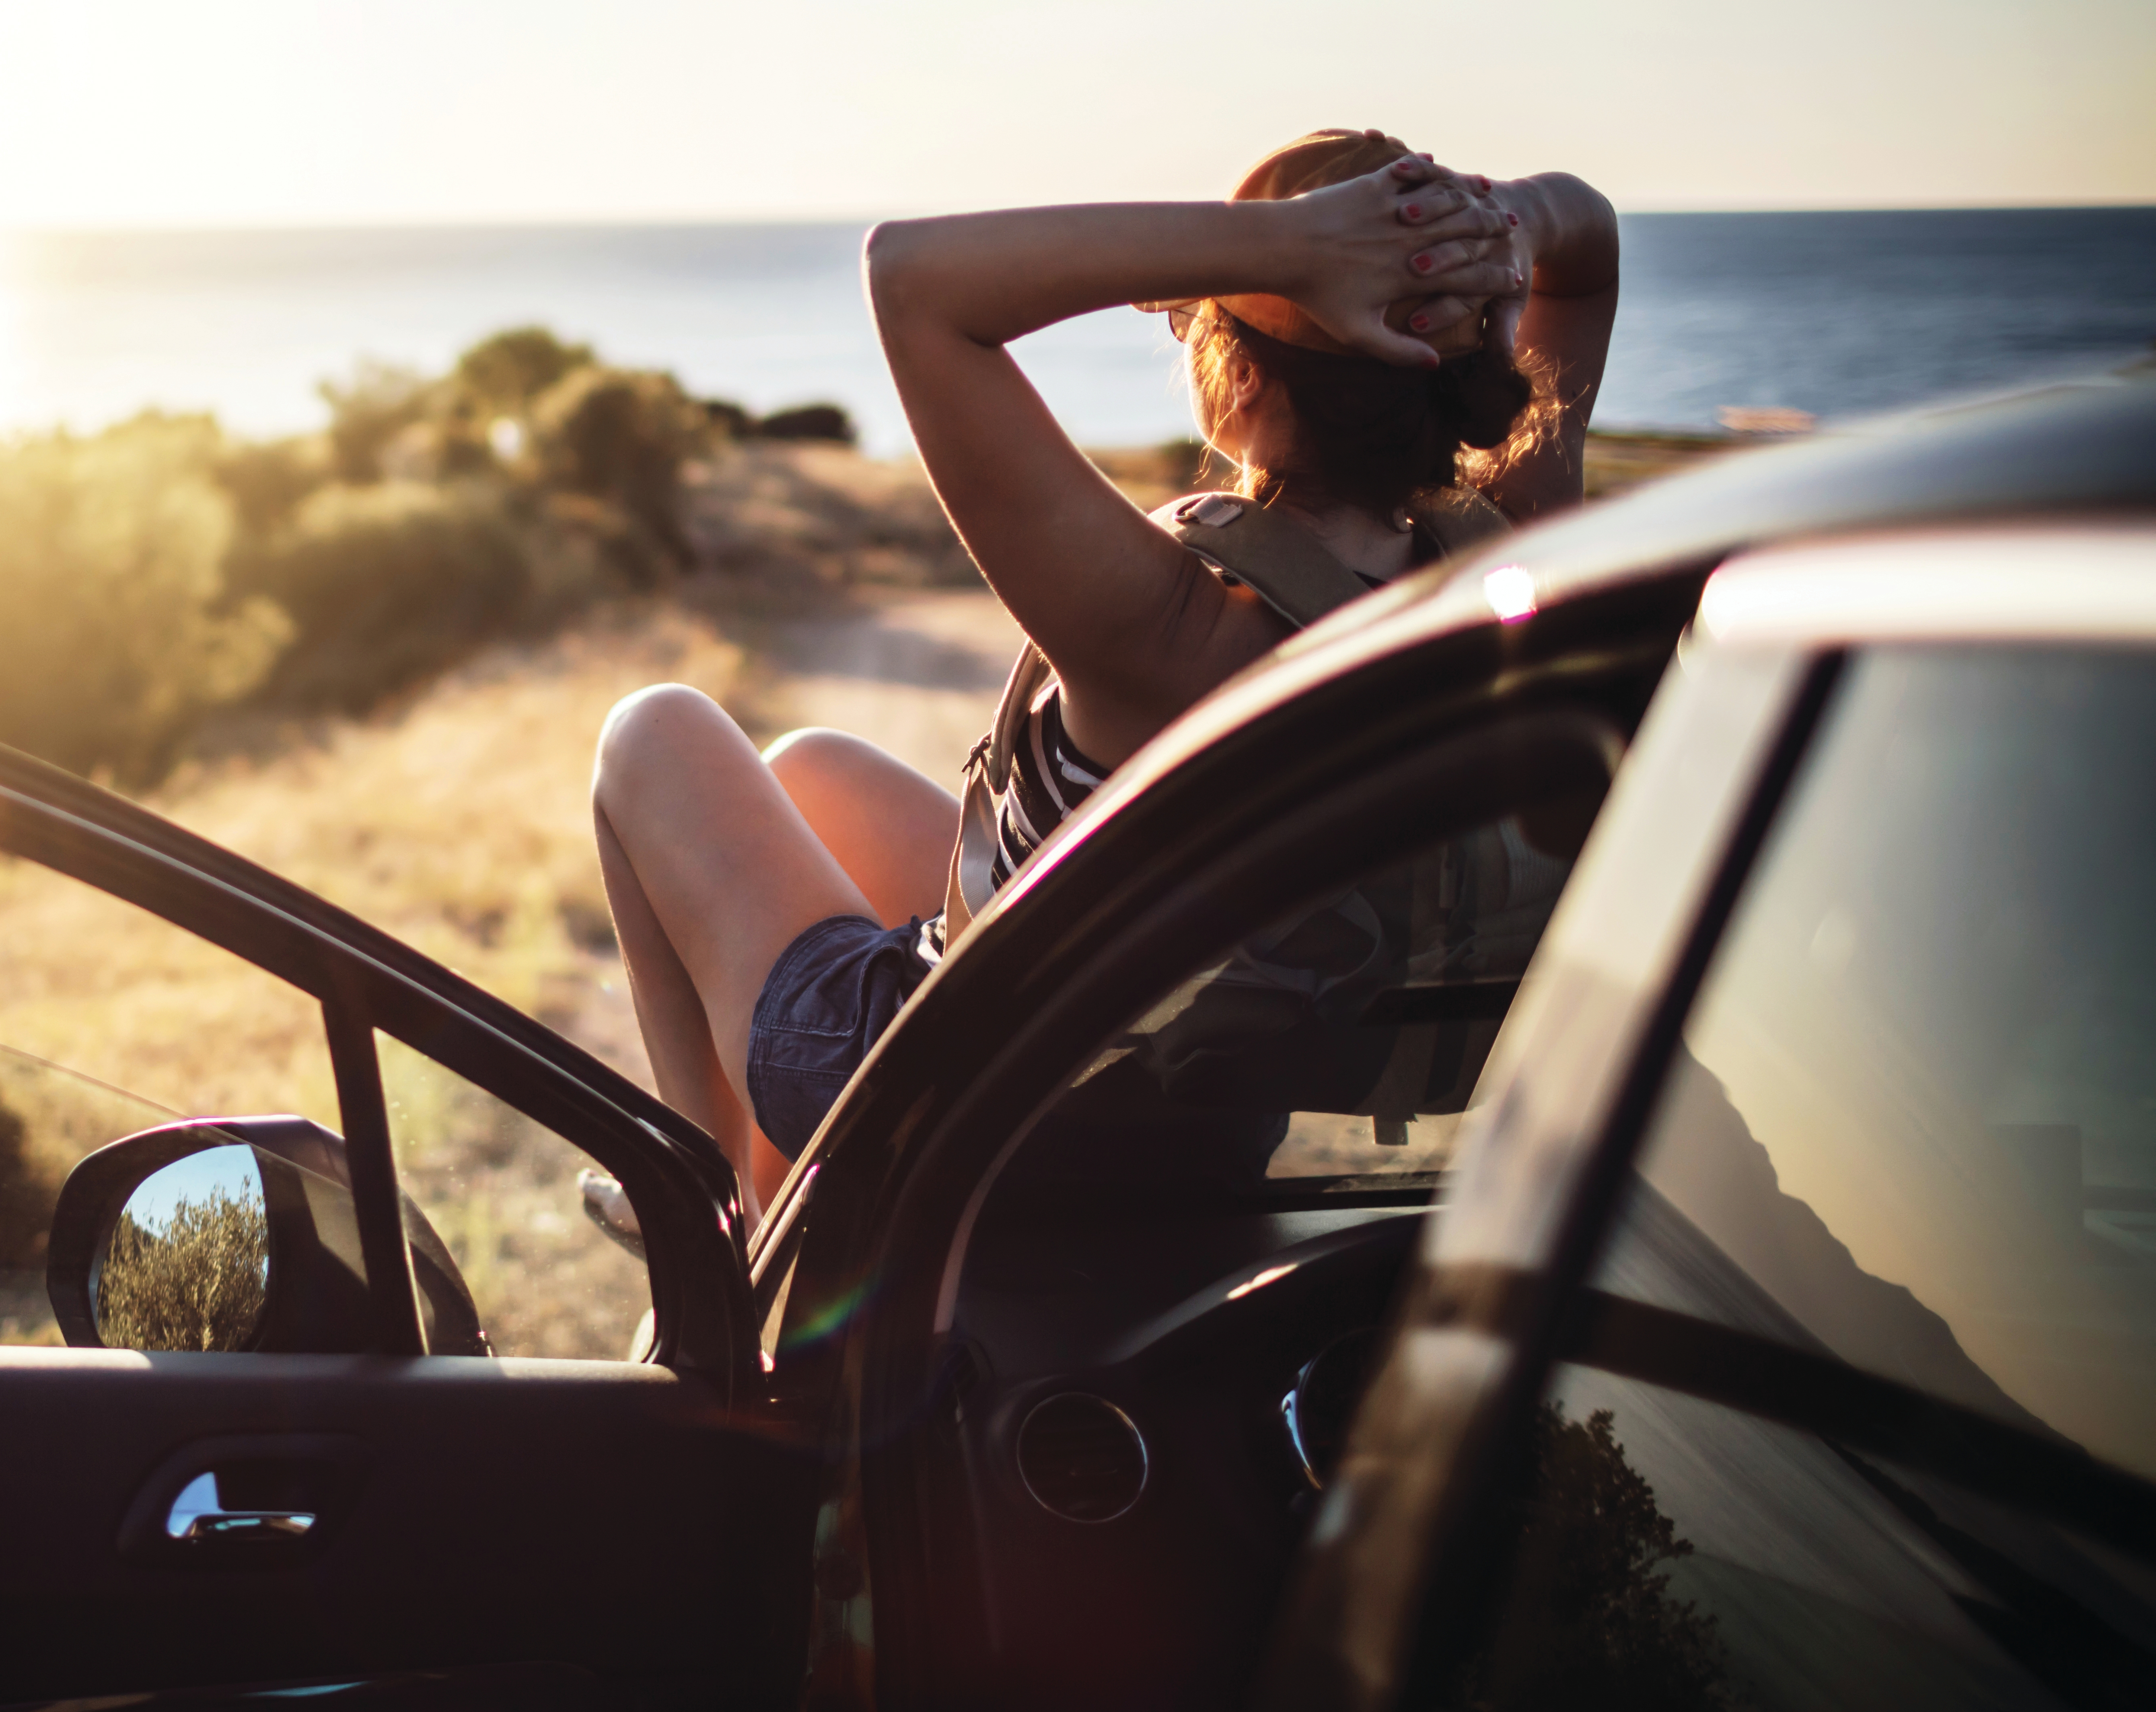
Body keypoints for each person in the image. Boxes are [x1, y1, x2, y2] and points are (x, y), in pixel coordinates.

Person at [590, 130, 1619, 1210]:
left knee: (650, 732)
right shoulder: (1506, 563)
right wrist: (1476, 229)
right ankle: (780, 1239)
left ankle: (703, 1231)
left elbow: (910, 278)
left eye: (1197, 319)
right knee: (808, 770)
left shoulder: (1173, 627)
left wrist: (1282, 245)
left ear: (1246, 388)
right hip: (1190, 1099)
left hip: (964, 1111)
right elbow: (1585, 241)